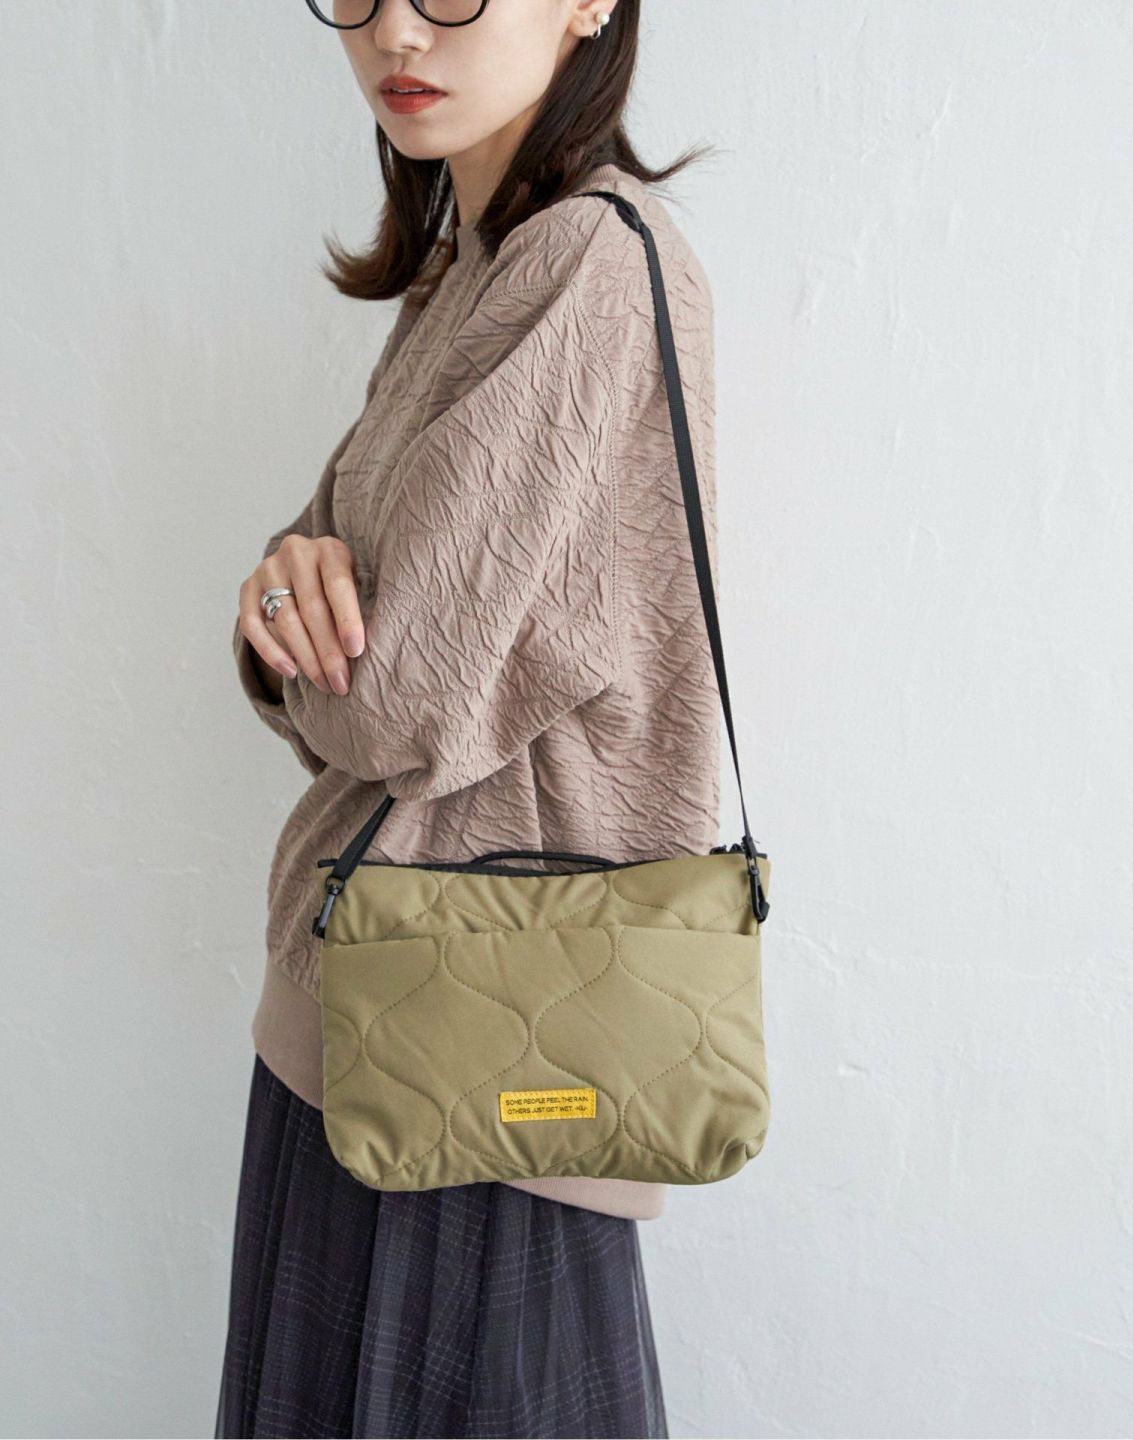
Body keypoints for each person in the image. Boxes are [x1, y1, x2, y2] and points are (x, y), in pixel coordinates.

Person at [217, 0, 723, 1434]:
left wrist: (289, 617)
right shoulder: (471, 267)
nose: (395, 28)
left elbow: (399, 698)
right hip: (374, 1029)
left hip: (483, 1072)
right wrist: (284, 599)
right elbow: (309, 600)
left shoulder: (589, 268)